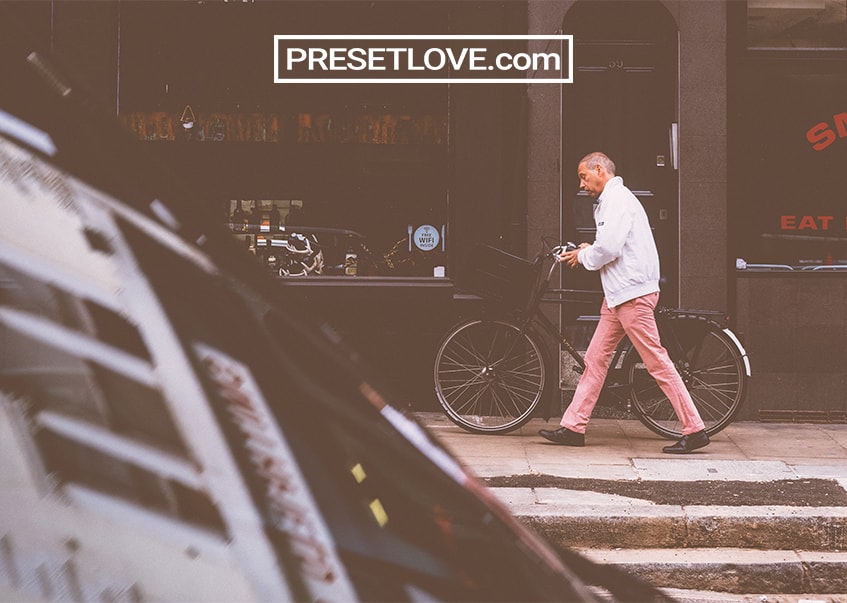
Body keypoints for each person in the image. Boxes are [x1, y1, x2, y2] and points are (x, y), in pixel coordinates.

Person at [539, 152, 709, 454]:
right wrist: (591, 248)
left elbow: (611, 247)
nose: (581, 184)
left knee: (657, 362)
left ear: (600, 170)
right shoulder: (614, 200)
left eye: (583, 176)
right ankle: (573, 427)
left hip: (631, 296)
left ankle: (694, 428)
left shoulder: (617, 200)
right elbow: (613, 244)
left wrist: (585, 256)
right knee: (595, 361)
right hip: (618, 296)